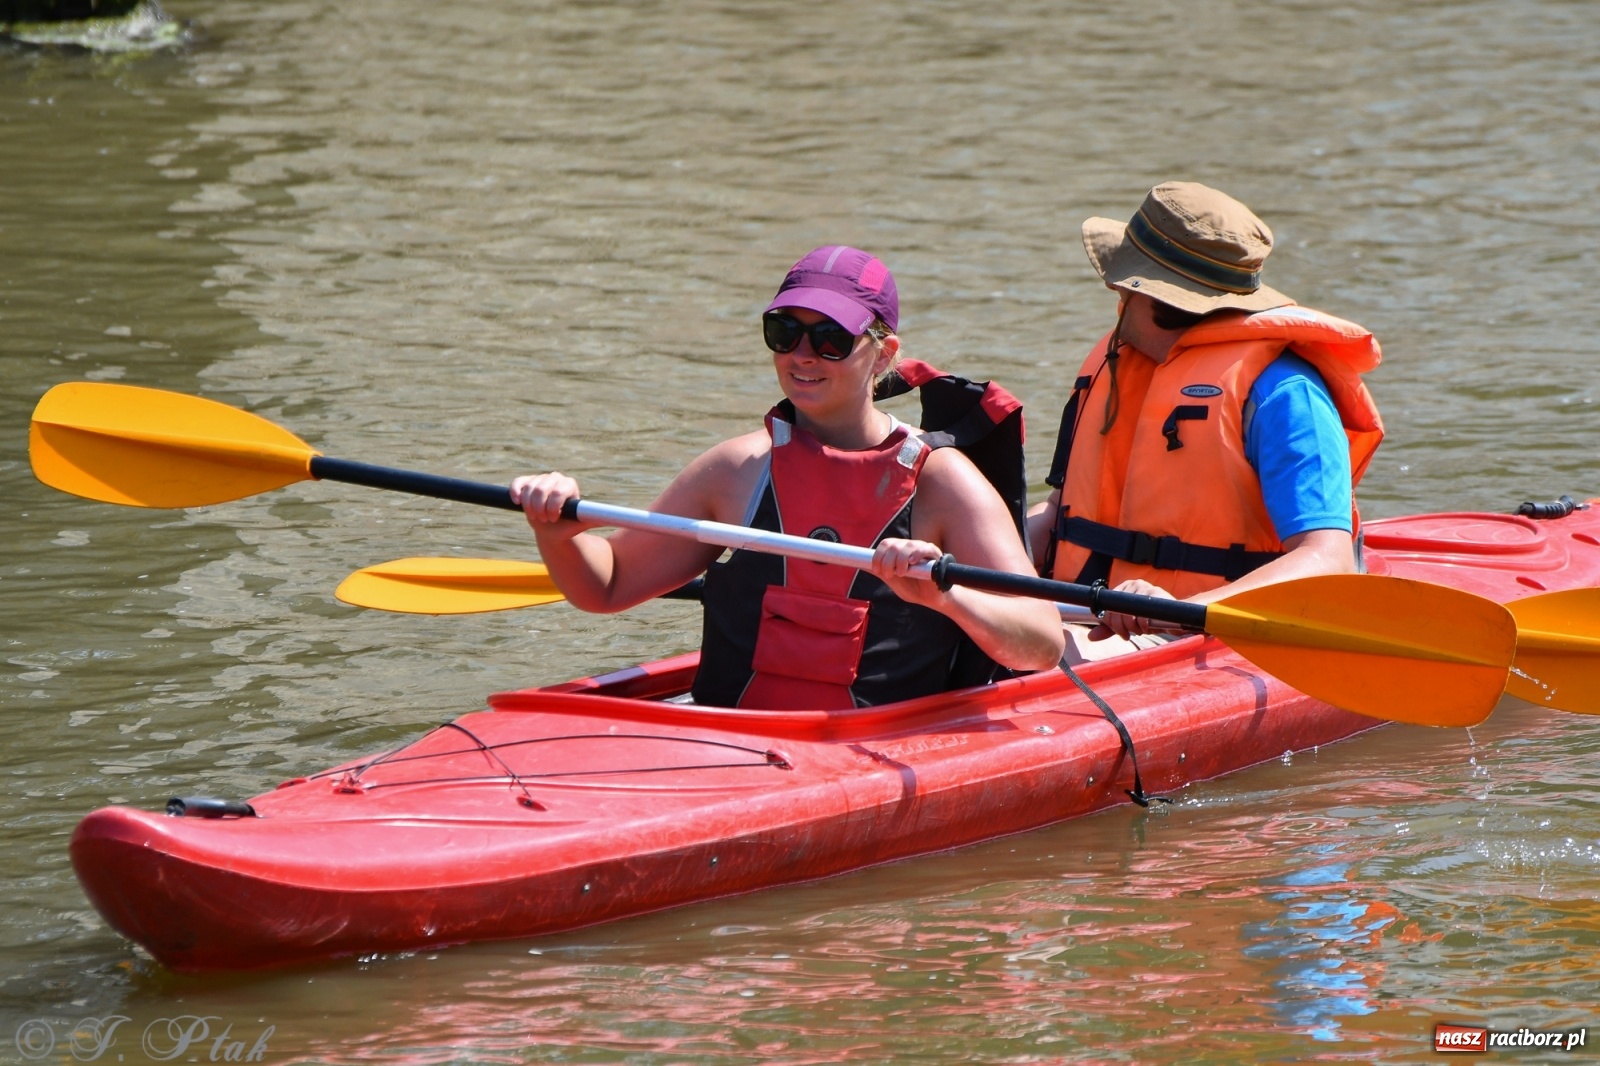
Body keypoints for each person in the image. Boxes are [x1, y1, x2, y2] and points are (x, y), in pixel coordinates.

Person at [514, 246, 1065, 708]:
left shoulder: (942, 483)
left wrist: (946, 598)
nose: (803, 355)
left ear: (883, 354)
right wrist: (556, 531)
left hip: (872, 756)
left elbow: (1040, 645)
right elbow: (606, 586)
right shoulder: (736, 470)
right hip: (725, 745)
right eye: (784, 332)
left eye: (830, 339)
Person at [1027, 182, 1385, 660]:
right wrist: (980, 554)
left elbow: (1327, 559)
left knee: (1020, 660)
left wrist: (1185, 609)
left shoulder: (1285, 393)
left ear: (1156, 298)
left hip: (1202, 630)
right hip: (1083, 612)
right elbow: (1058, 513)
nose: (1113, 287)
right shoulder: (1118, 364)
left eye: (1124, 278)